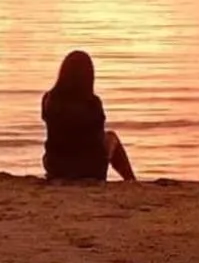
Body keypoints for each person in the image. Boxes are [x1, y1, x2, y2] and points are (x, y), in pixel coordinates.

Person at [41, 50, 136, 182]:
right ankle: (131, 180)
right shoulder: (92, 103)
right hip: (89, 170)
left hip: (56, 167)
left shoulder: (49, 100)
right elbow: (97, 137)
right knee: (111, 137)